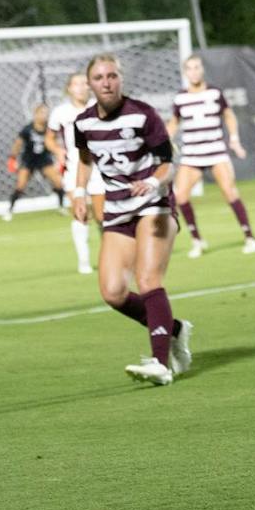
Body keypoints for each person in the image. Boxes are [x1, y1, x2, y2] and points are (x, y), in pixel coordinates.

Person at [72, 53, 192, 386]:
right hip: (117, 209)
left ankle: (160, 362)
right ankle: (174, 329)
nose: (106, 82)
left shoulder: (142, 115)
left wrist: (153, 182)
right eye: (99, 78)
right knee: (113, 292)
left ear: (120, 79)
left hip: (154, 205)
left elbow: (169, 161)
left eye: (112, 76)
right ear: (89, 84)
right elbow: (84, 159)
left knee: (148, 279)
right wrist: (79, 193)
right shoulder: (83, 123)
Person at [167, 54, 255, 257]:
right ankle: (197, 241)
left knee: (229, 192)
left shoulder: (214, 93)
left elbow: (228, 115)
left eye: (197, 67)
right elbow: (174, 122)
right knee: (180, 196)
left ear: (202, 70)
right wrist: (165, 140)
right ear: (185, 72)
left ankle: (249, 237)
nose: (194, 71)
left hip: (216, 152)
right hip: (192, 154)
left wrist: (234, 139)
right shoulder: (180, 97)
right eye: (189, 68)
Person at [46, 72, 100, 273]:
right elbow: (49, 139)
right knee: (79, 212)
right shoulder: (61, 112)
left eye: (84, 83)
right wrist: (58, 150)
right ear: (69, 88)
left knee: (102, 216)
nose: (81, 87)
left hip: (98, 167)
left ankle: (111, 256)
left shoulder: (98, 106)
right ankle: (84, 261)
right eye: (76, 84)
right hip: (74, 167)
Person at [5, 104, 64, 220]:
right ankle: (9, 210)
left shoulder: (49, 129)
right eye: (41, 113)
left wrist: (59, 159)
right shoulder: (27, 129)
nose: (44, 116)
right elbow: (17, 144)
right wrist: (12, 158)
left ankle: (61, 206)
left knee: (58, 182)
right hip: (29, 159)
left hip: (44, 159)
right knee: (20, 185)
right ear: (35, 114)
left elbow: (56, 142)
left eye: (46, 113)